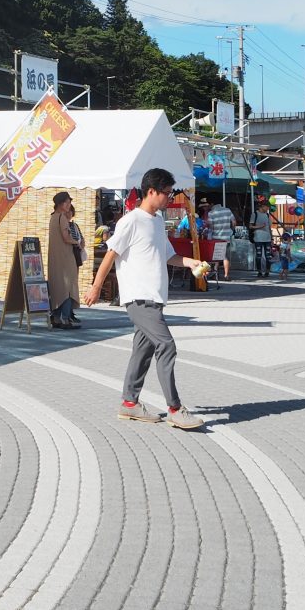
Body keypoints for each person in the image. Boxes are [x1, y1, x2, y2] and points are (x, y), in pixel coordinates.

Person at [82, 168, 204, 430]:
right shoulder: (131, 221)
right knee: (167, 346)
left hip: (155, 297)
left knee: (143, 351)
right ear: (151, 191)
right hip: (139, 298)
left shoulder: (158, 221)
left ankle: (129, 403)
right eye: (167, 193)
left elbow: (168, 255)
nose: (169, 198)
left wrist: (190, 261)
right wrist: (95, 287)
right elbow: (111, 254)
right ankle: (174, 408)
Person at [47, 192, 83, 328]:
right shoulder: (62, 217)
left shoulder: (53, 218)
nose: (69, 205)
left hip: (55, 259)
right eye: (67, 202)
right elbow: (66, 237)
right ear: (60, 204)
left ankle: (55, 317)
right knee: (68, 288)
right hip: (66, 258)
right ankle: (66, 319)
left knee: (57, 288)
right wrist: (77, 242)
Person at [206, 198, 236, 281]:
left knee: (218, 256)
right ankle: (226, 275)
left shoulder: (211, 213)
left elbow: (211, 226)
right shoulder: (227, 210)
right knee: (224, 255)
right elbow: (234, 222)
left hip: (216, 237)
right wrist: (231, 230)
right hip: (226, 237)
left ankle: (217, 273)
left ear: (212, 204)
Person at [249, 198, 273, 277]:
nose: (268, 209)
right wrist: (260, 226)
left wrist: (272, 238)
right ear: (262, 206)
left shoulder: (267, 215)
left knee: (268, 256)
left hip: (267, 238)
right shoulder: (255, 214)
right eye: (267, 207)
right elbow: (250, 226)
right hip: (258, 238)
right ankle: (259, 272)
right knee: (258, 255)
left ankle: (267, 272)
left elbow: (269, 227)